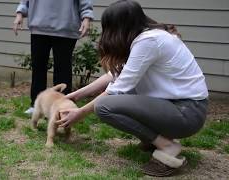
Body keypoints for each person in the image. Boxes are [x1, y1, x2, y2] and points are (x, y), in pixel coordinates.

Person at [56, 0, 208, 177]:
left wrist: (80, 113)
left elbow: (117, 88)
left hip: (186, 112)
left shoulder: (149, 41)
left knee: (104, 106)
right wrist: (74, 96)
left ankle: (167, 146)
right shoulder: (148, 37)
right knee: (119, 96)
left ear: (119, 26)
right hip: (178, 107)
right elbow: (116, 76)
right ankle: (154, 140)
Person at [13, 0, 94, 114]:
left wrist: (86, 17)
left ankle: (63, 108)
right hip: (39, 26)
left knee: (63, 70)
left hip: (66, 26)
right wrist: (20, 13)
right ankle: (36, 105)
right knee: (38, 68)